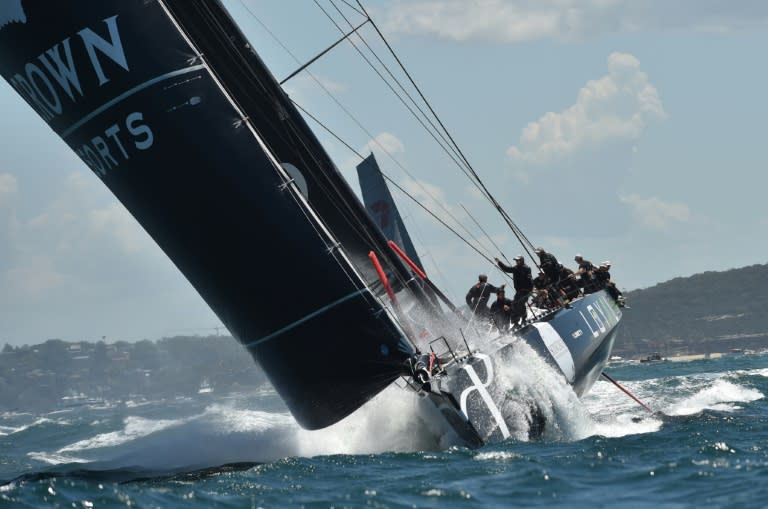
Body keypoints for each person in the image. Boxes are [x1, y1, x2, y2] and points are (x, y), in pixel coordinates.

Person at [495, 255, 533, 327]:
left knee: (520, 303)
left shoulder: (526, 268)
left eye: (518, 260)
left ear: (521, 261)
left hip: (526, 291)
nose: (516, 262)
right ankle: (515, 322)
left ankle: (524, 318)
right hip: (519, 292)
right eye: (516, 260)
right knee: (513, 305)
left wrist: (530, 290)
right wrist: (499, 262)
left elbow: (530, 280)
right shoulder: (516, 268)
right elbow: (506, 269)